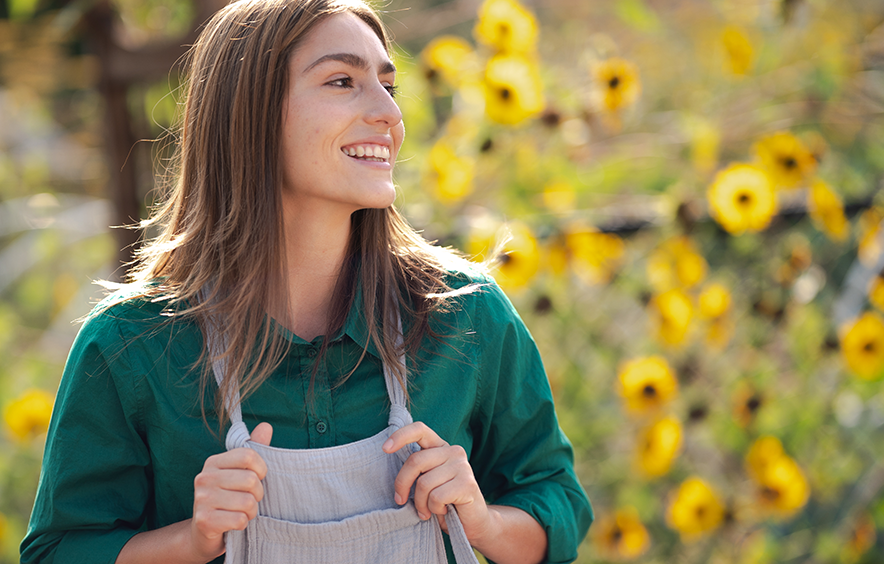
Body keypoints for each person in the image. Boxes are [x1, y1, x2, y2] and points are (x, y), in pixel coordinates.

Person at [20, 0, 593, 562]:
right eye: (342, 81)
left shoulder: (467, 317)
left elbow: (557, 502)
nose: (389, 115)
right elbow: (57, 550)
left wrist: (484, 521)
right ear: (250, 113)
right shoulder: (129, 346)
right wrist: (189, 542)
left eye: (388, 86)